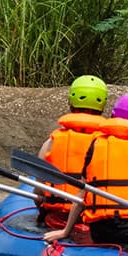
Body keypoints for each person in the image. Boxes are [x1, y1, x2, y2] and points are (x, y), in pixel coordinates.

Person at [42, 94, 128, 246]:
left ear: (113, 115)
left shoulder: (96, 144)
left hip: (101, 231)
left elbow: (82, 192)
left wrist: (66, 231)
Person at [35, 75, 110, 230]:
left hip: (56, 220)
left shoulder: (52, 141)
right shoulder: (110, 143)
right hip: (94, 223)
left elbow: (39, 190)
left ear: (71, 102)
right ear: (103, 104)